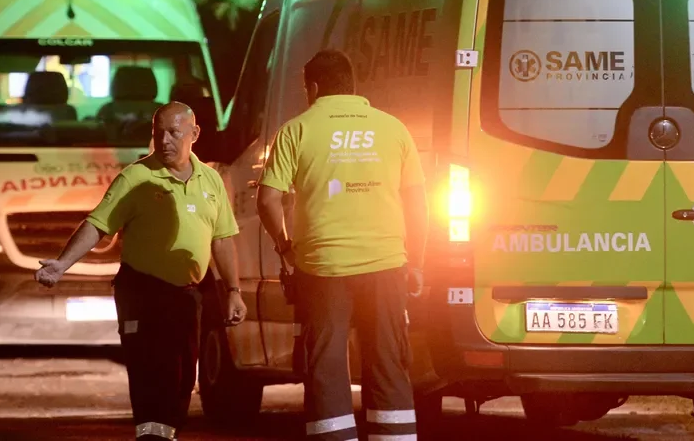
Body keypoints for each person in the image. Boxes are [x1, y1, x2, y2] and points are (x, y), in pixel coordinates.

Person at [36, 102, 247, 441]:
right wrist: (62, 264)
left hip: (186, 294)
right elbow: (97, 224)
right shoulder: (135, 177)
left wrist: (233, 291)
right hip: (143, 293)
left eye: (174, 133)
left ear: (194, 134)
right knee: (152, 377)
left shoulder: (211, 181)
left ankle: (165, 434)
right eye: (157, 132)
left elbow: (222, 239)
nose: (164, 140)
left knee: (182, 379)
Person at [256, 50, 428, 441]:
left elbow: (267, 200)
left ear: (313, 88)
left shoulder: (296, 130)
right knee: (388, 360)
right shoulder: (393, 129)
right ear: (352, 86)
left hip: (322, 267)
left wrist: (285, 248)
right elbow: (418, 203)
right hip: (386, 265)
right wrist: (415, 262)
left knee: (326, 364)